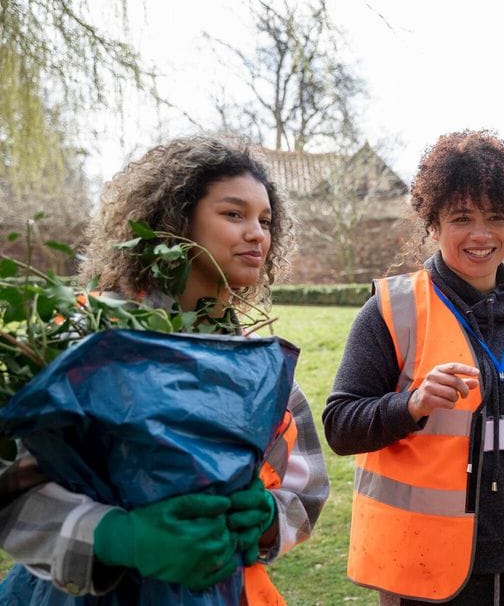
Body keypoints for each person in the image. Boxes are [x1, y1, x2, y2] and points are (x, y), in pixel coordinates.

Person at [0, 136, 329, 603]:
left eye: (265, 220)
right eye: (234, 214)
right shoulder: (91, 338)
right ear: (174, 221)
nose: (257, 233)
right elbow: (10, 481)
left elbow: (306, 490)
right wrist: (114, 536)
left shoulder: (263, 365)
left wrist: (269, 519)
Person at [322, 129, 504, 605]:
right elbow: (339, 426)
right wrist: (410, 404)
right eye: (461, 218)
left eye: (496, 217)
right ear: (433, 223)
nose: (480, 235)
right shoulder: (391, 310)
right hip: (425, 566)